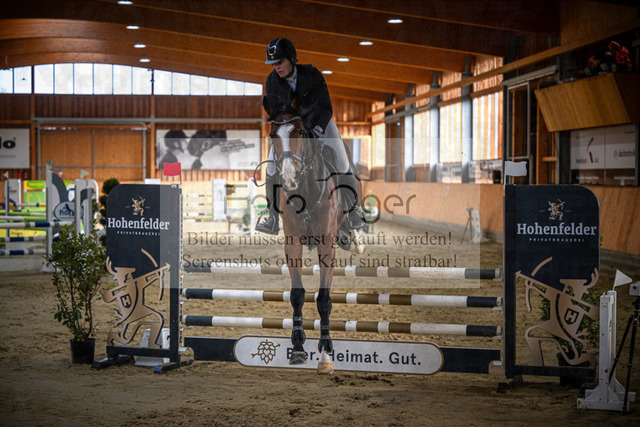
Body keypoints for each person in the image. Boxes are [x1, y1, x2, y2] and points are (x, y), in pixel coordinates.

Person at [256, 37, 365, 235]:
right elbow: (278, 113)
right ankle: (272, 216)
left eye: (280, 62)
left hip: (320, 123)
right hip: (292, 130)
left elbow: (326, 108)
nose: (277, 67)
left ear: (292, 59)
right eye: (273, 64)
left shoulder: (312, 75)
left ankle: (353, 209)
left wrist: (317, 130)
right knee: (271, 166)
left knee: (342, 161)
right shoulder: (272, 81)